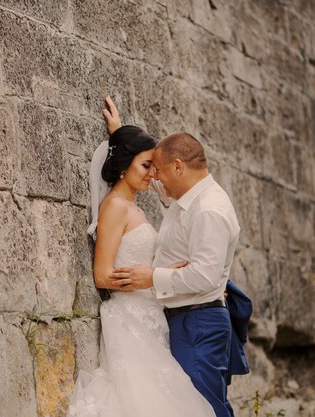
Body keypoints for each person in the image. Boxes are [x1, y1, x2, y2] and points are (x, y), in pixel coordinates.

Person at [67, 97, 215, 417]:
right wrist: (148, 279)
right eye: (146, 166)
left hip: (151, 317)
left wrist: (120, 133)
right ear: (124, 165)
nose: (153, 174)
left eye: (154, 166)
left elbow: (160, 173)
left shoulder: (134, 204)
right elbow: (102, 275)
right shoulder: (116, 207)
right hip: (129, 318)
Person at [109, 130, 241, 417]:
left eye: (160, 170)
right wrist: (122, 138)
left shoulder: (208, 210)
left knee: (205, 408)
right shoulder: (187, 198)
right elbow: (151, 181)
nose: (155, 176)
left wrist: (152, 277)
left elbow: (204, 276)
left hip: (198, 324)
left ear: (179, 167)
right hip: (186, 320)